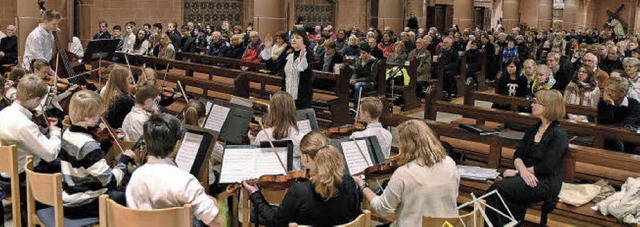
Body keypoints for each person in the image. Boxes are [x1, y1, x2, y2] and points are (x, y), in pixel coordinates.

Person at [352, 119, 459, 226]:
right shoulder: (449, 162)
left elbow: (383, 209)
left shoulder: (404, 173)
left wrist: (362, 185)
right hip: (446, 224)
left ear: (405, 145)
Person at [486, 89, 568, 226]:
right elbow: (517, 155)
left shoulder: (559, 135)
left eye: (536, 102)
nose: (532, 105)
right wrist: (522, 171)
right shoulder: (533, 129)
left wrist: (519, 172)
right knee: (497, 192)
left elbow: (546, 167)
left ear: (547, 106)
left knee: (497, 189)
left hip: (543, 182)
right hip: (527, 176)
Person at [242, 131, 360, 226]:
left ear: (305, 157)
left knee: (259, 215)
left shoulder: (299, 190)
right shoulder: (348, 181)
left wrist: (255, 194)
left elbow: (276, 221)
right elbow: (354, 215)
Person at [126, 114, 223, 227]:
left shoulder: (136, 176)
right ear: (177, 145)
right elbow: (216, 221)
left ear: (147, 144)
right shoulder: (185, 180)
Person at [58, 90, 135, 218]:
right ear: (87, 116)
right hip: (84, 202)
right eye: (98, 115)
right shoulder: (88, 144)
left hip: (69, 194)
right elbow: (111, 181)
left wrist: (105, 145)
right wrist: (124, 160)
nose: (100, 119)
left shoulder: (67, 134)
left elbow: (86, 162)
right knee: (128, 195)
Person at [0, 75, 61, 225]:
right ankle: (50, 214)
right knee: (64, 167)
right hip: (22, 177)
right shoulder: (23, 124)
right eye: (39, 100)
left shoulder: (4, 113)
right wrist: (55, 133)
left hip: (4, 174)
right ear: (35, 99)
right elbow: (50, 154)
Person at [250, 92, 304, 169]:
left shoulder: (262, 134)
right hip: (292, 180)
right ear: (293, 111)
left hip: (266, 176)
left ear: (271, 111)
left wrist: (252, 140)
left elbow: (255, 158)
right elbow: (304, 166)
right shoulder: (300, 138)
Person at [262, 30, 313, 109]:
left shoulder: (308, 54)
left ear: (304, 40)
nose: (293, 39)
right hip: (286, 93)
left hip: (302, 96)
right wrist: (268, 48)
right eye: (292, 37)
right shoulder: (289, 53)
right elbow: (274, 67)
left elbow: (306, 74)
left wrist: (302, 56)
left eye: (297, 38)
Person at [597, 77, 640, 152]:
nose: (609, 93)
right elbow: (602, 124)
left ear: (623, 93)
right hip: (606, 136)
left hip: (627, 137)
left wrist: (610, 128)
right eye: (608, 90)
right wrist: (610, 105)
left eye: (613, 91)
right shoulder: (604, 102)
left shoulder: (633, 104)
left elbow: (627, 124)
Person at [350, 44, 378, 108]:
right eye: (361, 53)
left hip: (370, 82)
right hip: (358, 80)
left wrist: (357, 80)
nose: (362, 55)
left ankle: (356, 107)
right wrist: (353, 78)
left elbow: (371, 77)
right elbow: (355, 71)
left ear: (369, 53)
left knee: (358, 85)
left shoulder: (374, 61)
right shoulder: (359, 59)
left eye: (364, 53)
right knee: (345, 82)